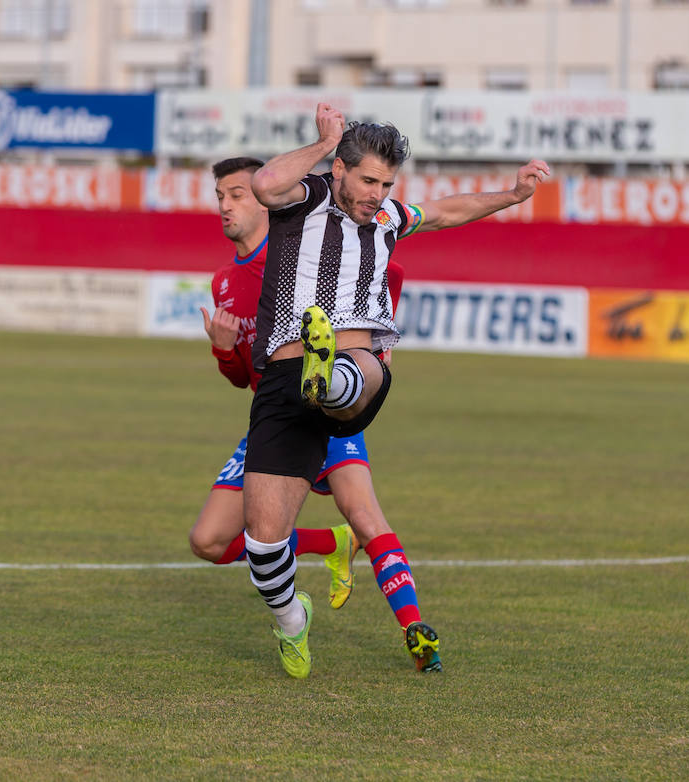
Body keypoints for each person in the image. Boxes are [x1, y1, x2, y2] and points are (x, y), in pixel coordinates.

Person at [240, 103, 550, 678]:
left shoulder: (387, 220)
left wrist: (511, 195)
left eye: (386, 184)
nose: (378, 194)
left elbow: (446, 212)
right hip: (285, 382)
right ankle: (291, 619)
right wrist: (323, 144)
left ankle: (328, 371)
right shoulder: (305, 197)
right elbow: (263, 182)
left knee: (362, 369)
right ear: (340, 170)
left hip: (357, 368)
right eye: (367, 181)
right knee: (261, 545)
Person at [189, 156, 429, 669]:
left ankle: (414, 629)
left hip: (325, 403)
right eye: (220, 197)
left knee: (366, 514)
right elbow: (239, 377)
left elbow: (388, 265)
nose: (226, 206)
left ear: (266, 198)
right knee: (209, 540)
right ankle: (326, 548)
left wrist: (376, 348)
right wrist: (223, 350)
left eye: (236, 194)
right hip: (273, 412)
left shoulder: (302, 242)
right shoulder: (225, 282)